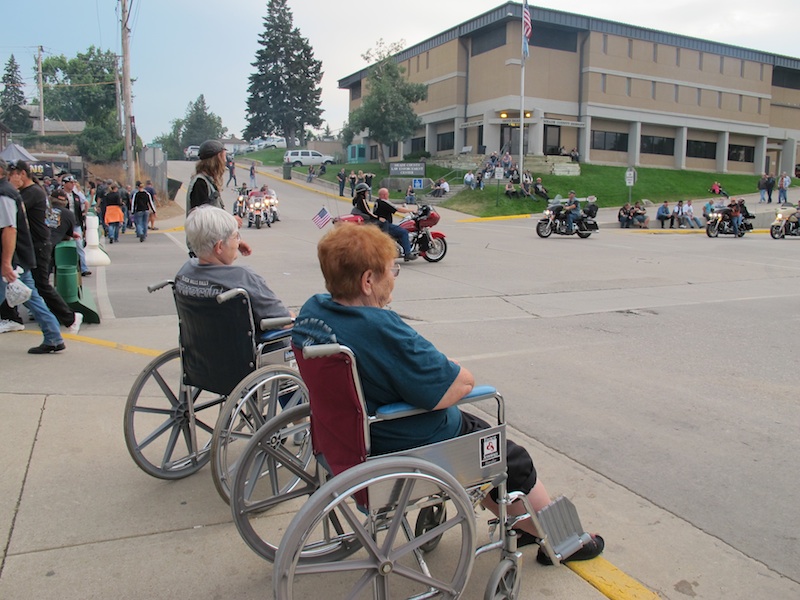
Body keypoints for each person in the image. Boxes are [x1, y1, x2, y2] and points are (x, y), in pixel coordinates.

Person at [291, 223, 605, 564]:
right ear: (368, 281)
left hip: (340, 439)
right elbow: (448, 388)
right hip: (400, 438)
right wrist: (464, 376)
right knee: (507, 456)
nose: (394, 277)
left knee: (479, 438)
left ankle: (523, 520)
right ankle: (559, 540)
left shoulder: (313, 312)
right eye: (390, 270)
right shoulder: (381, 328)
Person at [176, 205, 291, 325]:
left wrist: (232, 243)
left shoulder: (185, 272)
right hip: (251, 343)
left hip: (199, 342)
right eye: (236, 236)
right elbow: (284, 321)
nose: (238, 242)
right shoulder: (242, 278)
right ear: (219, 246)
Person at [3, 160, 82, 334]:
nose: (10, 179)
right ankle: (16, 318)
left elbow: (11, 212)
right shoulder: (32, 191)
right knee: (26, 285)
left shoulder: (30, 193)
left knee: (39, 286)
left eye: (12, 175)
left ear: (22, 174)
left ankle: (69, 318)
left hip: (37, 245)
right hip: (35, 244)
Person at [373, 187, 418, 261]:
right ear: (384, 195)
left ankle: (404, 249)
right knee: (404, 232)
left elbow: (393, 207)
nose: (388, 195)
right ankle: (407, 253)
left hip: (380, 225)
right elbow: (397, 209)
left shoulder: (377, 201)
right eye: (388, 194)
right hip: (385, 226)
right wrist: (412, 210)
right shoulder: (384, 202)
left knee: (399, 231)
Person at [61, 175, 90, 276]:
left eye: (73, 182)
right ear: (64, 183)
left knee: (79, 245)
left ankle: (84, 268)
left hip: (76, 223)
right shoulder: (60, 194)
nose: (73, 184)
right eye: (70, 182)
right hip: (64, 224)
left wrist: (83, 214)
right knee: (63, 245)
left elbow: (86, 203)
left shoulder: (76, 195)